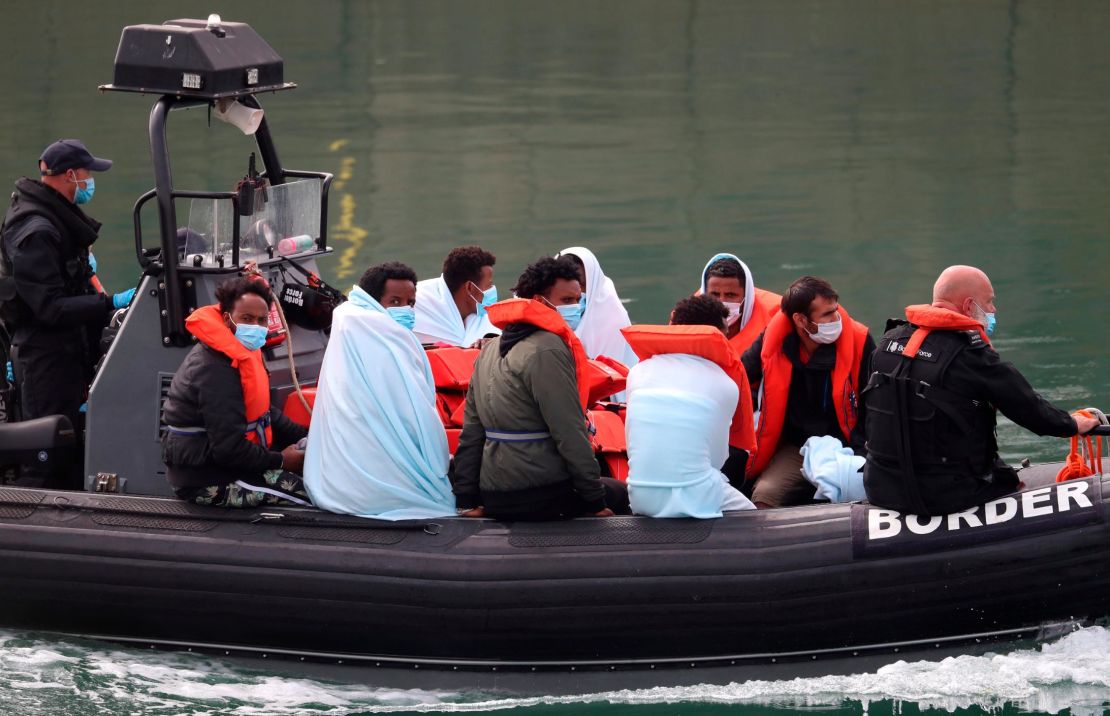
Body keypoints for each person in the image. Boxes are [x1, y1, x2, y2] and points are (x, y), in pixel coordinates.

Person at [863, 265, 1099, 516]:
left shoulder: (889, 342)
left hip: (881, 488)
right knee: (1005, 479)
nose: (993, 310)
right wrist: (1072, 424)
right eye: (989, 303)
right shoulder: (971, 356)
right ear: (968, 306)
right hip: (946, 495)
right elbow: (1032, 411)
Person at [450, 256, 629, 520]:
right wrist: (594, 500)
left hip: (495, 492)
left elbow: (472, 433)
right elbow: (568, 431)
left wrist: (466, 499)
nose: (576, 308)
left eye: (579, 300)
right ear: (538, 300)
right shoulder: (548, 349)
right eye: (567, 301)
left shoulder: (491, 349)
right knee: (621, 493)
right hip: (540, 492)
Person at [0, 139, 135, 488]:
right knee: (46, 451)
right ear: (71, 175)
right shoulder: (36, 231)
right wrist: (110, 303)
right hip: (46, 357)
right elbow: (49, 308)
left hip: (68, 352)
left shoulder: (55, 216)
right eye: (87, 174)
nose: (90, 181)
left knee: (72, 446)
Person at [303, 262, 456, 519]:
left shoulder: (347, 321)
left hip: (336, 480)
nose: (405, 310)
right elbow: (413, 410)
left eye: (410, 302)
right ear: (374, 301)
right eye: (395, 301)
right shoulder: (381, 334)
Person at [161, 277, 309, 508]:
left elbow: (265, 413)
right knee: (311, 495)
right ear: (226, 317)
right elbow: (229, 450)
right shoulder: (214, 369)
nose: (255, 327)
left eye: (261, 320)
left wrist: (310, 436)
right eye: (247, 319)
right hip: (208, 478)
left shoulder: (244, 352)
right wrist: (282, 461)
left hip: (236, 464)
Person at [742, 276, 874, 509]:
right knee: (765, 495)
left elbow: (875, 404)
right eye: (827, 315)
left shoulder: (860, 341)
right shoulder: (771, 341)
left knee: (865, 491)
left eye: (835, 310)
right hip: (796, 447)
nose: (837, 318)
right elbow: (738, 379)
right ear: (800, 320)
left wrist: (862, 452)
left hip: (850, 445)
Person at [621, 296, 756, 518]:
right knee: (754, 519)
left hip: (640, 495)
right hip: (696, 494)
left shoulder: (638, 372)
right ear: (719, 337)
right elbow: (718, 459)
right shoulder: (724, 384)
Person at [555, 246, 638, 368]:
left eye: (581, 285)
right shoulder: (546, 313)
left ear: (593, 282)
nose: (575, 293)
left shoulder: (612, 318)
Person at [413, 245, 499, 347]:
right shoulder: (417, 304)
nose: (492, 289)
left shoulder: (488, 319)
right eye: (489, 285)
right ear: (470, 288)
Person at [698, 253, 781, 354]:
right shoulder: (685, 319)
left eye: (730, 295)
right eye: (714, 294)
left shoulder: (775, 319)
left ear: (747, 296)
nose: (721, 302)